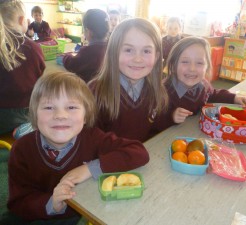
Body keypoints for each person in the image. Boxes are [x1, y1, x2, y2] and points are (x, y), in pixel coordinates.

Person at [1, 71, 149, 225]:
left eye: (71, 107)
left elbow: (138, 152)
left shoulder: (93, 137)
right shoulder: (22, 149)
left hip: (78, 214)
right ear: (34, 114)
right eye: (49, 107)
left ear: (85, 116)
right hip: (37, 213)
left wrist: (89, 169)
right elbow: (18, 202)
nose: (60, 115)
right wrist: (51, 203)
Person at [89, 18, 169, 142]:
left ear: (156, 56)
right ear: (114, 53)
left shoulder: (158, 92)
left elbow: (157, 132)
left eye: (146, 51)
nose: (138, 59)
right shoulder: (96, 92)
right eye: (128, 50)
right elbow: (89, 138)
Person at [161, 36, 246, 128]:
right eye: (185, 61)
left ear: (207, 67)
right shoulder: (163, 91)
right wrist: (171, 116)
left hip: (196, 131)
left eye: (199, 63)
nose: (192, 69)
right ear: (173, 64)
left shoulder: (203, 84)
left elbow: (213, 95)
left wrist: (233, 98)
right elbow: (154, 121)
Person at [0, 0, 45, 136]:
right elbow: (40, 77)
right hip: (23, 112)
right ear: (21, 20)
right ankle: (26, 128)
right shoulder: (32, 48)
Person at [63, 9, 109, 83]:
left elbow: (72, 65)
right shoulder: (110, 47)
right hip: (104, 88)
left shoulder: (87, 51)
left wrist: (66, 56)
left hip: (88, 89)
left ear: (88, 32)